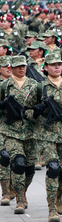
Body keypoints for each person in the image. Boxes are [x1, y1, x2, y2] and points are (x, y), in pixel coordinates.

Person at [24, 53, 62, 222]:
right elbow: (26, 111)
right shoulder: (38, 88)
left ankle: (59, 194)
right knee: (53, 168)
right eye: (53, 65)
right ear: (45, 68)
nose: (57, 67)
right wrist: (36, 111)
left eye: (59, 64)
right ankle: (52, 208)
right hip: (46, 135)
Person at [0, 56, 37, 214]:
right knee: (19, 164)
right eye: (17, 66)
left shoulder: (35, 85)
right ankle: (20, 200)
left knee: (29, 168)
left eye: (23, 66)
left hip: (30, 131)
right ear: (11, 68)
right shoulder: (4, 86)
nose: (21, 69)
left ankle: (21, 190)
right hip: (11, 130)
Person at [0, 56, 13, 206]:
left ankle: (16, 189)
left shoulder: (20, 84)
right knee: (3, 158)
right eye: (5, 66)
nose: (9, 69)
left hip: (16, 128)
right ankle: (5, 193)